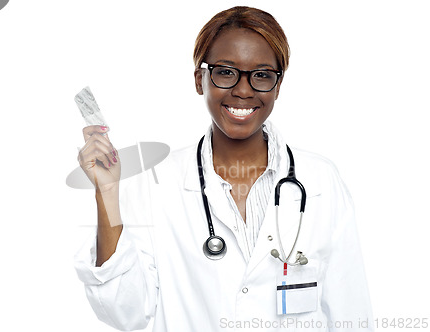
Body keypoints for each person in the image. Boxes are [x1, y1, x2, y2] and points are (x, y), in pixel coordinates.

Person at [74, 6, 373, 332]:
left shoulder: (320, 182)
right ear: (200, 80)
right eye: (226, 71)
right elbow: (125, 313)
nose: (243, 90)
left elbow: (350, 312)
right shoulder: (158, 185)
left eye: (261, 75)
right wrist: (106, 192)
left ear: (277, 85)